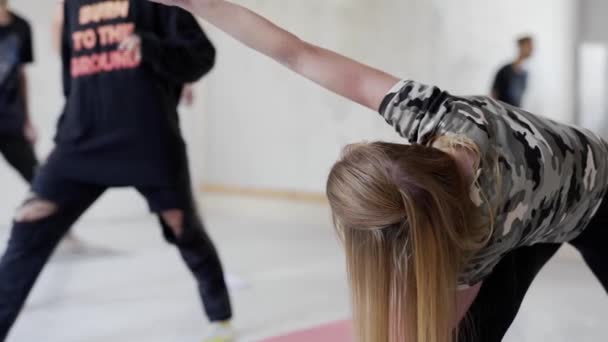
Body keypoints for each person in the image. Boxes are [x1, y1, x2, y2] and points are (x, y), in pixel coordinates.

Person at [148, 1, 608, 341]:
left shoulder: (472, 236)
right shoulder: (436, 115)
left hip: (600, 193)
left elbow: (299, 55)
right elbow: (298, 54)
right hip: (530, 204)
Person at [0, 1, 234, 341]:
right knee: (28, 225)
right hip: (80, 140)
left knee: (182, 226)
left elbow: (201, 55)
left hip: (149, 138)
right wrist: (66, 127)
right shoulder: (72, 3)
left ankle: (221, 316)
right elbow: (72, 72)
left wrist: (150, 46)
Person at [0, 0, 38, 184]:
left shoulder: (21, 27)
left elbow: (22, 75)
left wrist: (27, 120)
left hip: (10, 119)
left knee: (38, 179)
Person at [491, 36, 534, 107]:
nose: (532, 49)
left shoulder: (525, 74)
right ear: (521, 46)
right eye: (529, 46)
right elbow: (494, 95)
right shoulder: (505, 70)